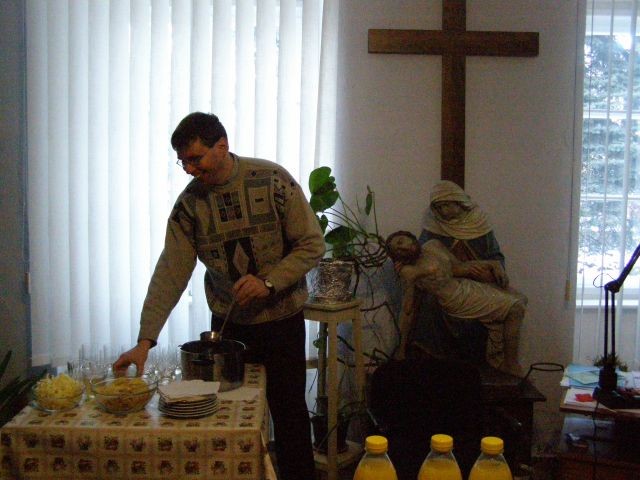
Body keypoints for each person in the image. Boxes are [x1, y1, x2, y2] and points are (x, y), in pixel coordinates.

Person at [113, 112, 325, 480]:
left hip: (282, 321)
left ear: (222, 146)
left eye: (195, 159)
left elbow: (312, 244)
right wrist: (144, 341)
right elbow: (170, 272)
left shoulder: (273, 180)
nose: (189, 169)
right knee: (226, 415)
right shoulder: (189, 205)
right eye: (183, 161)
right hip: (229, 328)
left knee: (289, 416)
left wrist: (269, 282)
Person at [387, 230, 526, 376]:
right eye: (398, 250)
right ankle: (511, 365)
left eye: (401, 241)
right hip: (455, 301)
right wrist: (401, 349)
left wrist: (492, 264)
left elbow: (458, 267)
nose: (403, 248)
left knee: (521, 298)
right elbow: (407, 311)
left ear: (409, 236)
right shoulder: (409, 271)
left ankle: (499, 360)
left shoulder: (433, 245)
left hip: (465, 287)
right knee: (515, 308)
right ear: (397, 258)